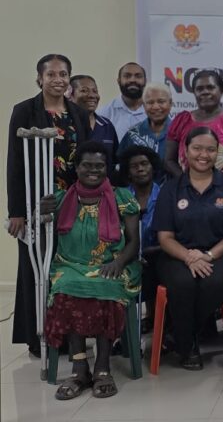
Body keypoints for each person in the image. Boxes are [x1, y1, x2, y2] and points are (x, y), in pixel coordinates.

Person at [40, 141, 141, 400]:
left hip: (114, 263)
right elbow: (37, 226)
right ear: (76, 168)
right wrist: (41, 211)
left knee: (104, 287)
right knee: (67, 289)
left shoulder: (122, 198)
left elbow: (134, 242)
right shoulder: (61, 199)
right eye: (87, 165)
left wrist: (118, 262)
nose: (93, 170)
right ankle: (79, 369)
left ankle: (103, 367)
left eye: (99, 166)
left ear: (108, 168)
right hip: (69, 264)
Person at [7, 54, 90, 357]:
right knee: (36, 269)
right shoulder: (25, 111)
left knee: (67, 266)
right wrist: (16, 211)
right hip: (37, 203)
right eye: (51, 74)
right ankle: (38, 335)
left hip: (73, 203)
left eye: (63, 74)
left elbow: (87, 157)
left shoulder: (78, 113)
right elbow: (15, 162)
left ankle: (69, 335)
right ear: (39, 78)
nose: (58, 80)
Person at [153, 127, 223, 370]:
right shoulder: (171, 188)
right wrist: (188, 256)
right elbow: (165, 237)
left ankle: (181, 336)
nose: (203, 155)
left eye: (210, 150)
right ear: (185, 151)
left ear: (218, 153)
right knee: (182, 283)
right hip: (177, 254)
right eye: (197, 148)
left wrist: (208, 255)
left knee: (212, 282)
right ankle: (189, 344)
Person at [165, 70, 223, 178]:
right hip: (185, 185)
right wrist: (187, 181)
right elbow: (169, 160)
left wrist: (220, 182)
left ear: (221, 91)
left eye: (210, 87)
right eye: (199, 89)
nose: (205, 92)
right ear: (194, 93)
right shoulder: (182, 120)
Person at [120, 145, 163, 330]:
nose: (140, 169)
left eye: (144, 163)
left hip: (158, 255)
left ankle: (157, 321)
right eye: (134, 166)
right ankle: (125, 331)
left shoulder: (165, 195)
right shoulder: (121, 198)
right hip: (127, 257)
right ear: (128, 172)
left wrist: (146, 253)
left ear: (152, 166)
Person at [118, 83, 173, 183]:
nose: (155, 107)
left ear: (170, 103)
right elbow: (121, 167)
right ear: (143, 105)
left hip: (173, 191)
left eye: (161, 101)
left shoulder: (180, 132)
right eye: (150, 102)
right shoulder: (133, 134)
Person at [70, 75, 119, 169]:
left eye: (95, 91)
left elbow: (114, 161)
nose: (92, 95)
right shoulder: (65, 125)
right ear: (70, 95)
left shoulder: (107, 125)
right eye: (84, 91)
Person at [97, 62, 147, 141]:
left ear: (145, 81)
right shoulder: (103, 114)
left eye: (138, 76)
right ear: (118, 81)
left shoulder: (156, 112)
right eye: (127, 76)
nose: (133, 80)